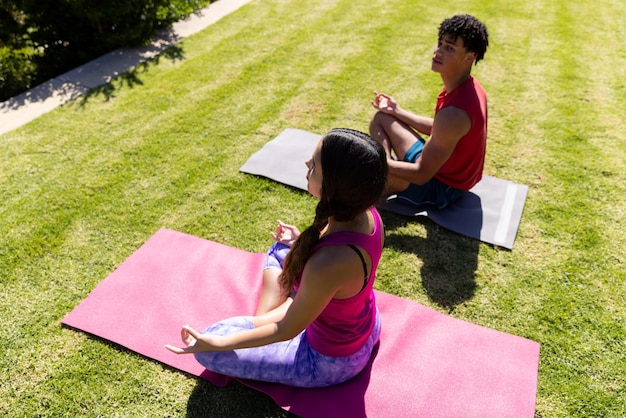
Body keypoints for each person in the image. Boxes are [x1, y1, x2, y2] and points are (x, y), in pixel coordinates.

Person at [166, 128, 388, 388]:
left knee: (209, 345)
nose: (307, 164)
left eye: (314, 165)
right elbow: (341, 266)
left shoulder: (328, 263)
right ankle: (296, 301)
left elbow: (285, 330)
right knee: (283, 248)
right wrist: (298, 243)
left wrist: (217, 344)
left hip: (329, 361)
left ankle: (291, 303)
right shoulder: (369, 215)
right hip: (364, 326)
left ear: (334, 187)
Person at [369, 14, 489, 209]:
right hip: (435, 165)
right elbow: (439, 129)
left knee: (356, 177)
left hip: (440, 186)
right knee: (383, 118)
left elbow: (421, 174)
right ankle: (385, 171)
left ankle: (383, 177)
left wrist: (377, 164)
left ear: (470, 56)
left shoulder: (455, 112)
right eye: (440, 44)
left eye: (449, 48)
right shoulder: (466, 86)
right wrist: (397, 111)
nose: (438, 52)